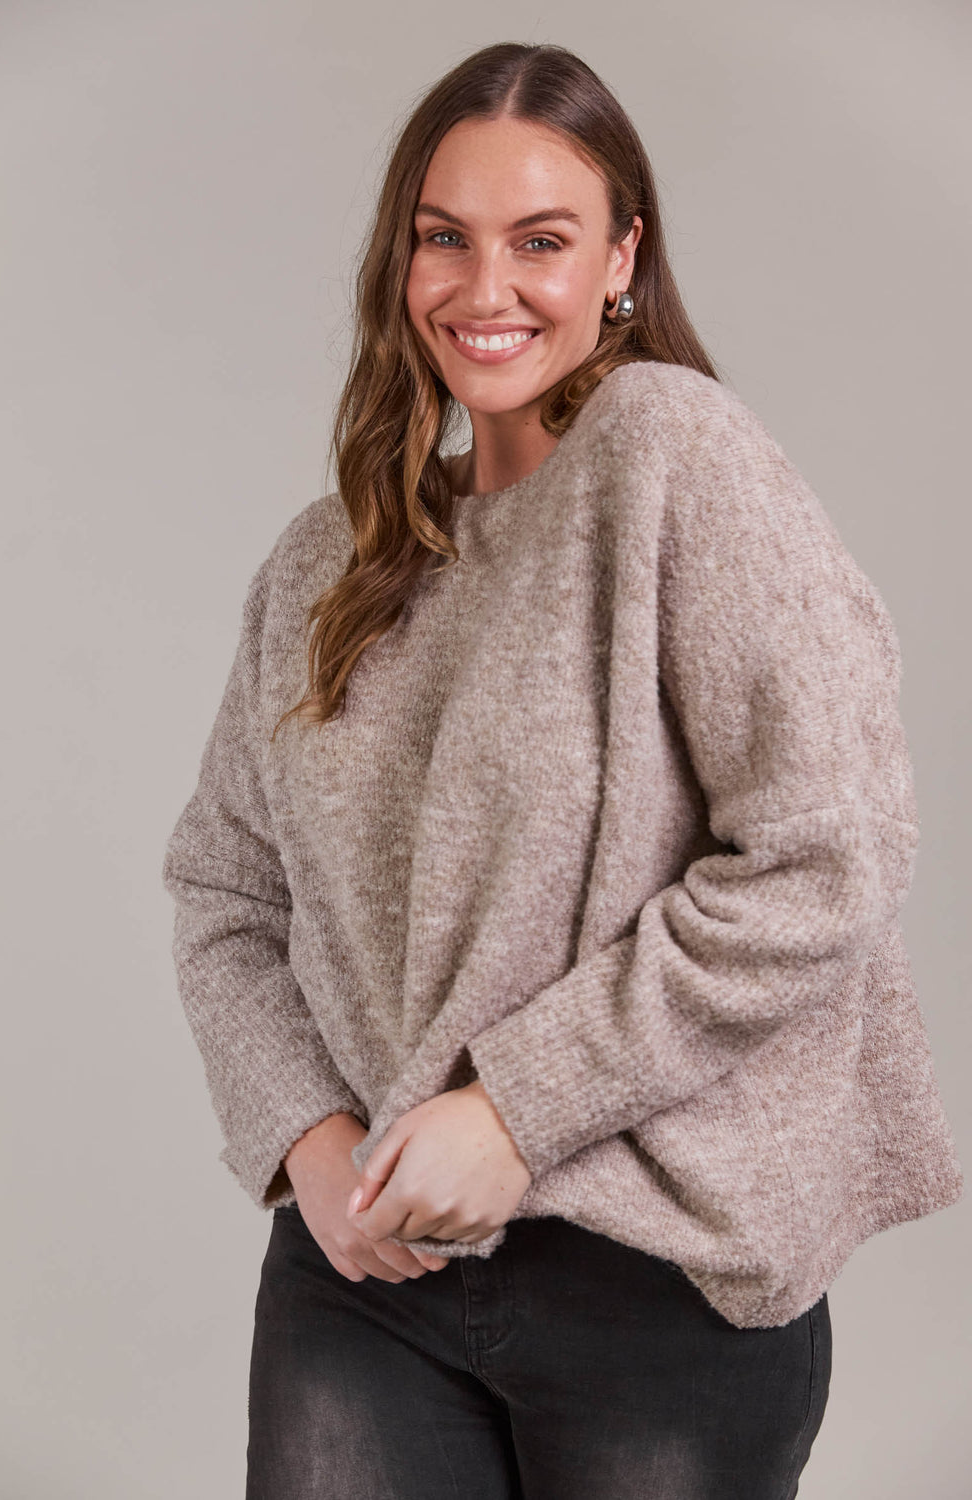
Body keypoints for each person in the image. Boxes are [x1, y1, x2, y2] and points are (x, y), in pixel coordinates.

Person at [161, 41, 963, 1500]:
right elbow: (223, 889)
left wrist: (517, 1108)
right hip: (368, 1276)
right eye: (444, 239)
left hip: (654, 1276)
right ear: (400, 261)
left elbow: (828, 853)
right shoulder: (326, 563)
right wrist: (311, 1143)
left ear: (621, 261)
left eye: (542, 240)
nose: (487, 288)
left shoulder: (674, 458)